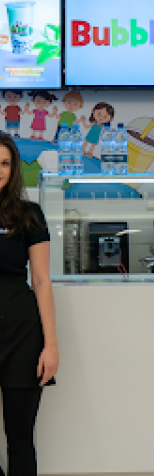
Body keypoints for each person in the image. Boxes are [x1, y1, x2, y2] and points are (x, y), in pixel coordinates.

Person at [0, 132, 59, 475]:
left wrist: (51, 346)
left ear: (14, 169)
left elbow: (40, 280)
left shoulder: (29, 214)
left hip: (21, 335)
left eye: (5, 163)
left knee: (20, 440)